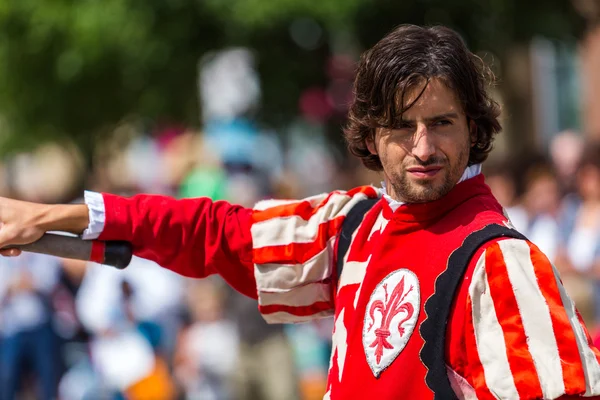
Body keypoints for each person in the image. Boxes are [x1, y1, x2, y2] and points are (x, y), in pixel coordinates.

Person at [0, 24, 598, 400]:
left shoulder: (500, 261)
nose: (423, 147)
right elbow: (216, 235)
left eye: (441, 123)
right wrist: (50, 219)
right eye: (401, 126)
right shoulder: (356, 223)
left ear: (473, 128)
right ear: (371, 136)